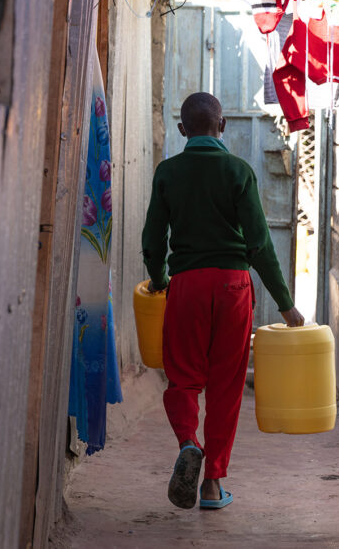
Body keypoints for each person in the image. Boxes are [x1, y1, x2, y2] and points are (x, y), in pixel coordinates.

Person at [141, 92, 304, 511]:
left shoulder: (168, 172)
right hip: (233, 287)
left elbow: (152, 238)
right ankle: (212, 485)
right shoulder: (238, 170)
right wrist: (285, 305)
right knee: (226, 388)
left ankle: (187, 443)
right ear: (223, 126)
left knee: (183, 378)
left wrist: (160, 280)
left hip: (188, 284)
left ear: (182, 130)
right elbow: (260, 244)